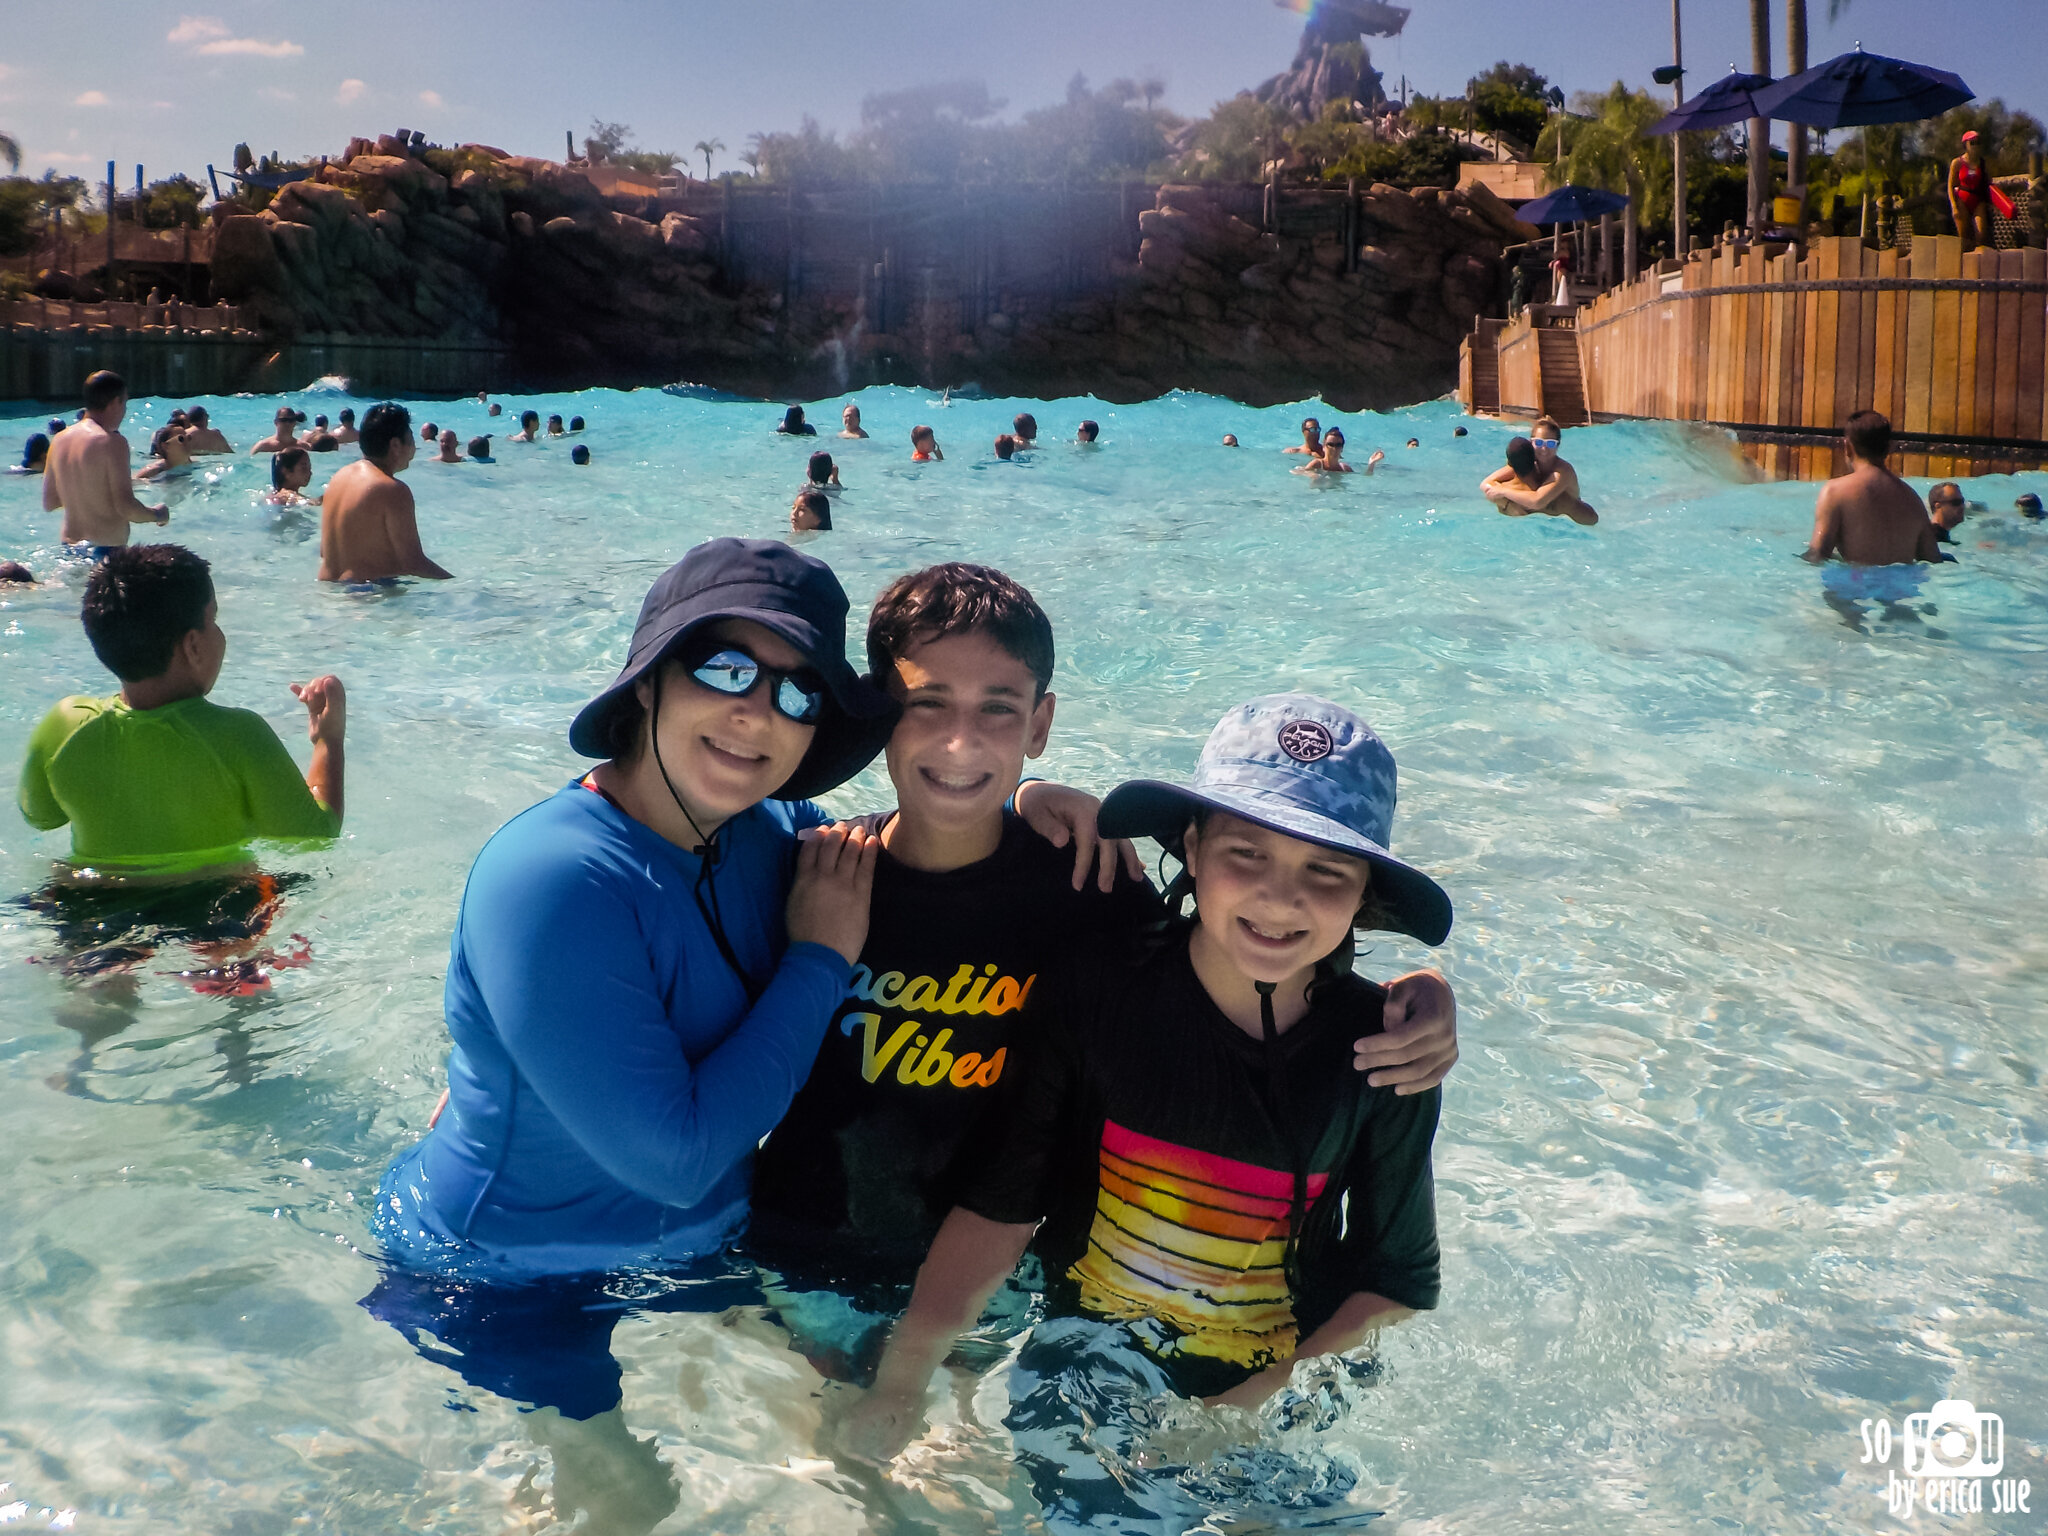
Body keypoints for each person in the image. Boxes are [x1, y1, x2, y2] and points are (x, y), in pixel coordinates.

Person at [747, 569, 1459, 1328]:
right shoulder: (820, 872)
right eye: (927, 703)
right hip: (794, 1248)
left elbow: (1239, 952)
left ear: (1039, 722)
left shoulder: (1091, 883)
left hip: (1003, 1283)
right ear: (878, 708)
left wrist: (1420, 994)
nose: (962, 740)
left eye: (999, 708)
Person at [364, 537, 892, 1450]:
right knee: (626, 1505)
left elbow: (904, 848)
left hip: (696, 1242)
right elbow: (673, 1158)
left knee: (856, 1429)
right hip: (502, 1271)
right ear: (647, 680)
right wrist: (819, 961)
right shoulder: (555, 878)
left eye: (797, 692)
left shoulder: (765, 829)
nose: (757, 716)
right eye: (726, 669)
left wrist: (1034, 802)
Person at [842, 693, 1449, 1460]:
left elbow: (1398, 1279)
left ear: (1367, 894)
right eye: (1246, 853)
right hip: (1079, 1364)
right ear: (1191, 850)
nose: (1279, 895)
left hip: (1275, 1399)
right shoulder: (1100, 989)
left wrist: (1234, 1419)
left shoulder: (1387, 1052)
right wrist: (901, 1379)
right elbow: (1002, 1202)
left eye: (1326, 871)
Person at [17, 544, 344, 867]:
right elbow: (314, 836)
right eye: (213, 619)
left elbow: (40, 816)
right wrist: (327, 741)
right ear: (193, 645)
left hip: (91, 905)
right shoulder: (239, 735)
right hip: (210, 909)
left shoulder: (64, 725)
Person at [318, 402, 452, 584]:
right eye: (411, 439)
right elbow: (413, 563)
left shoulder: (338, 479)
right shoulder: (392, 490)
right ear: (396, 445)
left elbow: (324, 552)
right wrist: (460, 586)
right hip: (368, 599)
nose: (414, 447)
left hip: (328, 594)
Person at [43, 371, 170, 554]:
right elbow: (125, 506)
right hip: (106, 552)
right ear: (114, 403)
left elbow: (50, 502)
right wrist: (157, 514)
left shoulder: (59, 440)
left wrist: (86, 497)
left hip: (69, 549)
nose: (124, 411)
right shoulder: (111, 442)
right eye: (124, 402)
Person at [1802, 411, 1941, 565]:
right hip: (1901, 588)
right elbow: (1933, 560)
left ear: (1847, 447)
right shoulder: (1913, 499)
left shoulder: (1835, 492)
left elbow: (1816, 557)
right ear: (1889, 448)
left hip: (1855, 585)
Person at [1482, 419, 1599, 525]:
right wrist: (1508, 505)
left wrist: (1503, 491)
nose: (1544, 449)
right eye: (1538, 442)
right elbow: (1486, 484)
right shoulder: (1528, 463)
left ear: (1558, 446)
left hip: (1581, 521)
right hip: (1550, 520)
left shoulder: (1562, 471)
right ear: (1530, 443)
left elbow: (1537, 501)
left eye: (1550, 443)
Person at [1949, 130, 2007, 254]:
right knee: (1964, 238)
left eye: (1978, 143)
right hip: (1962, 199)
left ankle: (1979, 265)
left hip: (1978, 199)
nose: (1976, 146)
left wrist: (1993, 202)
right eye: (1973, 143)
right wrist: (1953, 205)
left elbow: (1988, 183)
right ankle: (1963, 268)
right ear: (1966, 145)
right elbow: (1950, 186)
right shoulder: (1957, 163)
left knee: (1981, 236)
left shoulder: (1982, 163)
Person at [1927, 481, 1967, 546]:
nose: (1962, 507)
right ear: (1938, 506)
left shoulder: (1936, 533)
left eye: (1962, 502)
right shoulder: (1932, 537)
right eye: (1956, 502)